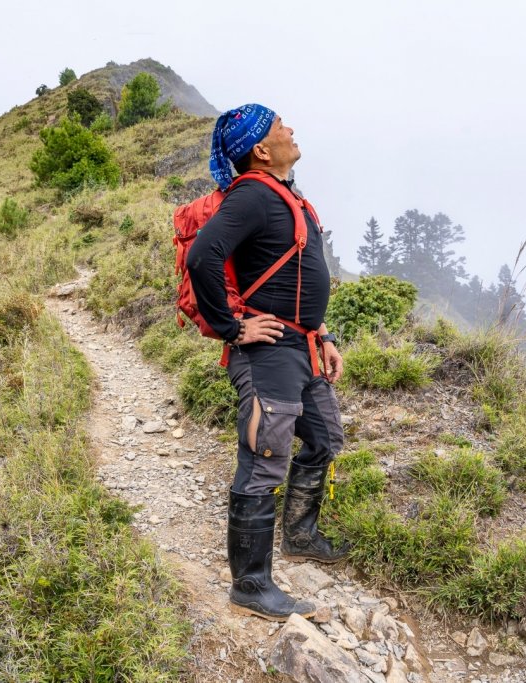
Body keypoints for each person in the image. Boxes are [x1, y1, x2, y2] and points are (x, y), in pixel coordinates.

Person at [187, 104, 349, 621]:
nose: (292, 129)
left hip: (301, 347)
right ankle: (251, 585)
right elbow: (202, 257)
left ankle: (300, 536)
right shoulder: (254, 194)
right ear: (261, 149)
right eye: (281, 126)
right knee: (263, 459)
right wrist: (233, 328)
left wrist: (320, 333)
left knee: (324, 438)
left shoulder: (289, 196)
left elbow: (295, 275)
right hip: (268, 355)